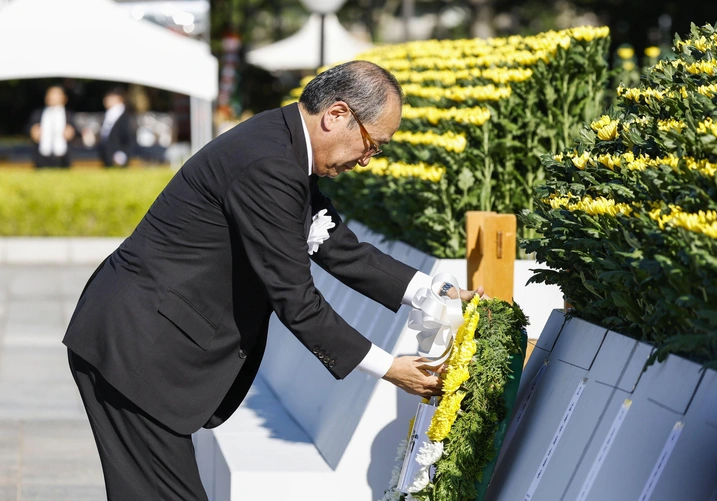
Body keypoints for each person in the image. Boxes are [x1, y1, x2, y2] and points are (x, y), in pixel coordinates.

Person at [63, 61, 483, 500]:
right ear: (337, 114)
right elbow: (295, 299)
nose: (367, 160)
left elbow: (335, 245)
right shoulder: (270, 163)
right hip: (137, 349)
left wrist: (435, 293)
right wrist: (391, 368)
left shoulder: (285, 146)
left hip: (142, 343)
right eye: (372, 144)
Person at [27, 85, 76, 168]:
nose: (52, 97)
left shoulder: (69, 115)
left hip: (62, 157)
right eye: (50, 94)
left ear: (64, 98)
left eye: (56, 94)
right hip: (42, 156)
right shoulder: (38, 114)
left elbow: (76, 131)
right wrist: (33, 131)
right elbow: (28, 129)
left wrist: (72, 132)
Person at [97, 87, 135, 167]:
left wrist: (123, 154)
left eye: (111, 97)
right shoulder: (108, 115)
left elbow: (129, 138)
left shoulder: (125, 116)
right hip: (107, 156)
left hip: (119, 157)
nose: (106, 100)